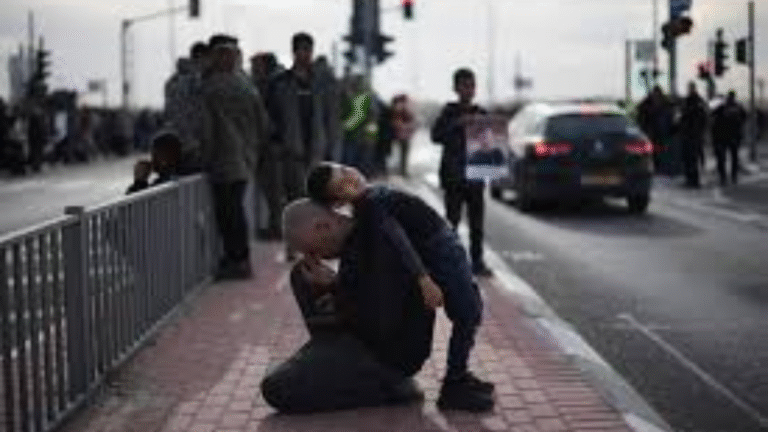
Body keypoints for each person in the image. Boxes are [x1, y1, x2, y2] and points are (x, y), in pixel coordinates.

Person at [305, 161, 495, 410]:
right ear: (339, 203)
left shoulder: (370, 199)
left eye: (343, 170)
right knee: (467, 313)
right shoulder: (370, 205)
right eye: (342, 185)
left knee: (470, 310)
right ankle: (454, 384)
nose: (350, 178)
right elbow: (396, 238)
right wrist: (423, 278)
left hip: (446, 248)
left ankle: (459, 375)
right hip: (440, 253)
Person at [200, 34, 270, 280]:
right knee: (236, 211)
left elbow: (207, 129)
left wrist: (203, 157)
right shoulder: (247, 87)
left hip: (223, 159)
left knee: (227, 213)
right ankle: (241, 259)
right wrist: (253, 151)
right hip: (245, 159)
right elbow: (263, 125)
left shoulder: (212, 88)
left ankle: (236, 260)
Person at [266, 32, 341, 205]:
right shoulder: (279, 83)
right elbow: (269, 116)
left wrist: (333, 150)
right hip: (291, 152)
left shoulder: (324, 82)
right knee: (297, 198)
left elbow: (333, 118)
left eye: (308, 50)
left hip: (318, 150)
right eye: (301, 50)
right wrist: (277, 142)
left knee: (319, 198)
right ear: (294, 52)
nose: (305, 54)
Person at [431, 68, 492, 276]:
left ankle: (477, 262)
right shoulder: (448, 112)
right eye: (464, 85)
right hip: (453, 177)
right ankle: (451, 263)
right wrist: (457, 124)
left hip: (475, 176)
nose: (468, 90)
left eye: (472, 85)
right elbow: (435, 136)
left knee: (477, 225)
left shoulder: (481, 113)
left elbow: (491, 146)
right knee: (452, 223)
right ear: (456, 88)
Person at [164, 42, 209, 171]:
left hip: (178, 143)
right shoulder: (194, 80)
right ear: (201, 57)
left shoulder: (173, 80)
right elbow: (188, 114)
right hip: (192, 146)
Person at [126, 131, 198, 194]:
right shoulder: (166, 179)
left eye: (156, 155)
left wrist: (139, 183)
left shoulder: (179, 176)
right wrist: (140, 182)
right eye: (153, 155)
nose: (153, 160)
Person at [711, 90, 747, 186]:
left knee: (722, 158)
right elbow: (744, 117)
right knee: (734, 157)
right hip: (734, 136)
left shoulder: (722, 107)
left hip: (723, 136)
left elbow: (713, 116)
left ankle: (723, 177)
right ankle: (733, 176)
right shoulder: (738, 107)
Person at [678, 82, 708, 188]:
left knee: (694, 158)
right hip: (688, 134)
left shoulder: (698, 102)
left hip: (695, 134)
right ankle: (689, 179)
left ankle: (694, 179)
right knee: (687, 158)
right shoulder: (688, 101)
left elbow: (703, 118)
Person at [390, 94, 417, 177]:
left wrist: (407, 128)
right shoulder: (395, 112)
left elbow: (413, 123)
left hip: (404, 136)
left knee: (404, 154)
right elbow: (393, 123)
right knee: (396, 152)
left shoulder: (407, 112)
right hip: (396, 135)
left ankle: (402, 170)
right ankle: (399, 169)